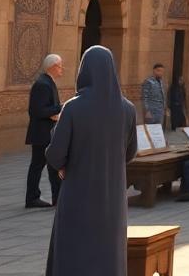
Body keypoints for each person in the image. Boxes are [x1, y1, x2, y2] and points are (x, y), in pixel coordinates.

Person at [44, 45, 137, 276]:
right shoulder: (127, 109)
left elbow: (55, 154)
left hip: (78, 192)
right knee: (108, 254)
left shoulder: (73, 108)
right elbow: (131, 152)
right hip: (112, 196)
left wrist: (65, 166)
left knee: (75, 253)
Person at [25, 53, 64, 209]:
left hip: (46, 133)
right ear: (53, 67)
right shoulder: (43, 84)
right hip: (42, 134)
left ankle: (57, 198)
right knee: (39, 166)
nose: (62, 69)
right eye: (60, 66)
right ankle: (33, 198)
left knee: (51, 167)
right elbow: (38, 111)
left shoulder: (47, 82)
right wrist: (61, 107)